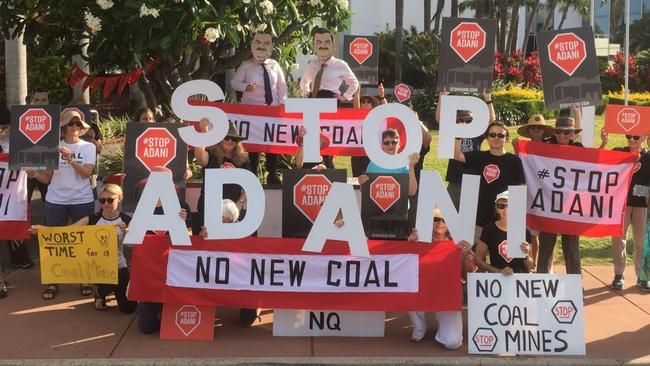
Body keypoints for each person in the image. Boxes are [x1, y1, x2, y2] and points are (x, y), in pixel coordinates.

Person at [27, 109, 96, 300]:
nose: (75, 127)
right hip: (56, 200)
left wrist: (70, 159)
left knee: (83, 241)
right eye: (71, 124)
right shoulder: (53, 147)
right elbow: (47, 179)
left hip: (82, 199)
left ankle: (85, 279)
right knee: (52, 242)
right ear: (64, 127)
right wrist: (34, 174)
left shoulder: (88, 147)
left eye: (78, 124)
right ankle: (52, 280)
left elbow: (85, 173)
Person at [137, 167, 192, 334]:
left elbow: (191, 240)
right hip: (151, 272)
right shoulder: (143, 207)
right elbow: (136, 239)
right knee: (146, 328)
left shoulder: (182, 207)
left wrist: (184, 224)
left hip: (174, 271)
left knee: (174, 323)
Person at [406, 209, 471, 349]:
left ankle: (443, 325)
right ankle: (419, 328)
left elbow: (466, 276)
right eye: (436, 219)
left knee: (452, 343)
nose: (440, 223)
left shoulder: (458, 244)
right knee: (409, 289)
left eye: (444, 219)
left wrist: (464, 257)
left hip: (447, 296)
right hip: (423, 290)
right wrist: (409, 245)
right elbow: (404, 268)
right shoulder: (419, 240)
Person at [453, 121, 525, 244]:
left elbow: (520, 188)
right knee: (475, 256)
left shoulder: (514, 161)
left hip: (503, 218)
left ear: (506, 138)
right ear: (487, 138)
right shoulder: (480, 157)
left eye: (500, 135)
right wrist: (459, 136)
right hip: (480, 217)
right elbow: (457, 156)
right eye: (492, 135)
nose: (496, 138)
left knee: (500, 258)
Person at [231, 32, 288, 184]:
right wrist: (245, 87)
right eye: (258, 43)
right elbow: (234, 83)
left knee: (271, 144)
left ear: (271, 48)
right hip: (252, 112)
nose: (261, 47)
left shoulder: (275, 65)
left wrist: (283, 102)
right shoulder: (246, 65)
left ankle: (272, 175)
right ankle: (252, 175)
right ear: (252, 46)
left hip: (272, 111)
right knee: (253, 145)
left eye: (266, 44)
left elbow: (282, 86)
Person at [300, 26, 359, 169]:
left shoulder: (340, 65)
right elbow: (304, 81)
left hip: (331, 102)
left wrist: (345, 97)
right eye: (318, 42)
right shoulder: (312, 64)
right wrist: (306, 92)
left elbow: (354, 83)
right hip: (313, 102)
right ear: (314, 45)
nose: (323, 45)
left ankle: (328, 167)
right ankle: (311, 166)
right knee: (311, 136)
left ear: (333, 46)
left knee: (326, 138)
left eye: (327, 42)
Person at [600, 129, 650, 291]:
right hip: (620, 204)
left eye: (636, 137)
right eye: (629, 136)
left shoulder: (648, 156)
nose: (632, 140)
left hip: (643, 205)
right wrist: (604, 143)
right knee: (618, 240)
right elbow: (596, 163)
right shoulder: (618, 153)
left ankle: (642, 277)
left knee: (641, 242)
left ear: (643, 138)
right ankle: (619, 275)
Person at [536, 117, 584, 275]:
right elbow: (529, 160)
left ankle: (575, 285)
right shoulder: (546, 146)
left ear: (572, 134)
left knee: (571, 249)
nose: (562, 135)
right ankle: (541, 282)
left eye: (566, 132)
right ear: (554, 132)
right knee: (546, 247)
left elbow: (594, 167)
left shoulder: (579, 148)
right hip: (549, 205)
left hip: (571, 207)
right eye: (559, 131)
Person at [511, 114, 553, 271]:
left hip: (548, 194)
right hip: (530, 193)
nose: (536, 130)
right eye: (533, 128)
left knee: (549, 234)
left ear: (544, 131)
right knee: (532, 233)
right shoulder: (523, 148)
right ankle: (533, 263)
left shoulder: (551, 147)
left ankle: (548, 266)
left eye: (539, 128)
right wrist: (517, 147)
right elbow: (517, 163)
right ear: (528, 131)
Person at [439, 91, 495, 209]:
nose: (464, 122)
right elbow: (440, 119)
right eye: (461, 119)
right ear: (457, 120)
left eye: (469, 120)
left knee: (471, 214)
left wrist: (488, 100)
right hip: (455, 179)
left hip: (472, 179)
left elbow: (491, 123)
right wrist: (442, 97)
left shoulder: (477, 134)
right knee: (448, 214)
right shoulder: (452, 131)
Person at [194, 120, 251, 230]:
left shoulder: (243, 159)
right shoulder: (211, 155)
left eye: (234, 139)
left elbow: (249, 186)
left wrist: (237, 207)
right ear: (220, 139)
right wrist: (203, 131)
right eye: (227, 138)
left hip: (232, 212)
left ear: (237, 142)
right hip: (209, 209)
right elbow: (200, 158)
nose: (230, 141)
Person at [474, 191, 534, 275]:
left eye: (509, 206)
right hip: (498, 280)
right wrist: (498, 271)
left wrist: (526, 255)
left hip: (519, 280)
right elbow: (478, 259)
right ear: (496, 208)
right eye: (501, 206)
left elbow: (531, 266)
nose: (505, 210)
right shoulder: (489, 230)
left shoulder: (524, 231)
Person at [357, 128, 420, 197]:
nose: (390, 145)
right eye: (386, 143)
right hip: (376, 206)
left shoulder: (404, 164)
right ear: (382, 145)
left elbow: (412, 191)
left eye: (394, 142)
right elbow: (364, 190)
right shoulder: (373, 164)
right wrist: (362, 183)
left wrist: (411, 167)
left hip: (399, 207)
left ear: (399, 144)